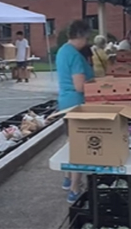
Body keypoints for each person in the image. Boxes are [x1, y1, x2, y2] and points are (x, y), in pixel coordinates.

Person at [56, 20, 95, 203]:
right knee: (80, 146)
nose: (86, 42)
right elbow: (80, 86)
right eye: (86, 38)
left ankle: (67, 178)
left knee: (72, 142)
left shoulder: (63, 50)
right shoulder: (76, 56)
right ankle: (74, 188)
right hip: (77, 103)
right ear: (80, 36)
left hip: (65, 101)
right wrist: (97, 84)